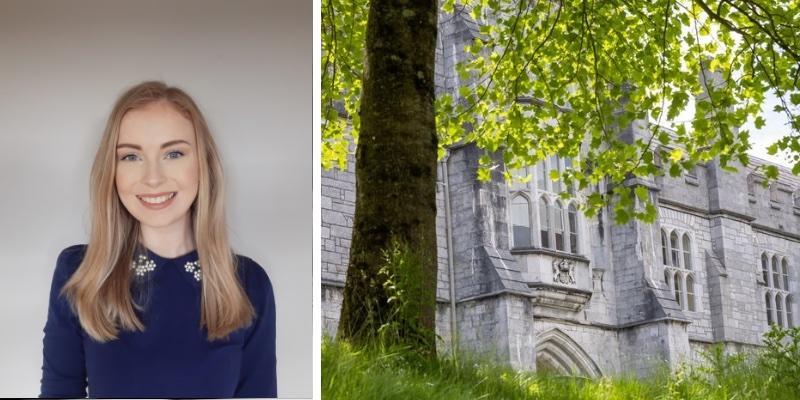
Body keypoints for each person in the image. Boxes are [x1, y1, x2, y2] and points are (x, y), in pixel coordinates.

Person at [39, 81, 277, 398]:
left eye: (173, 153)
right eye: (131, 157)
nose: (153, 178)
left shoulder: (248, 284)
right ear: (112, 171)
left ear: (203, 164)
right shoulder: (79, 273)